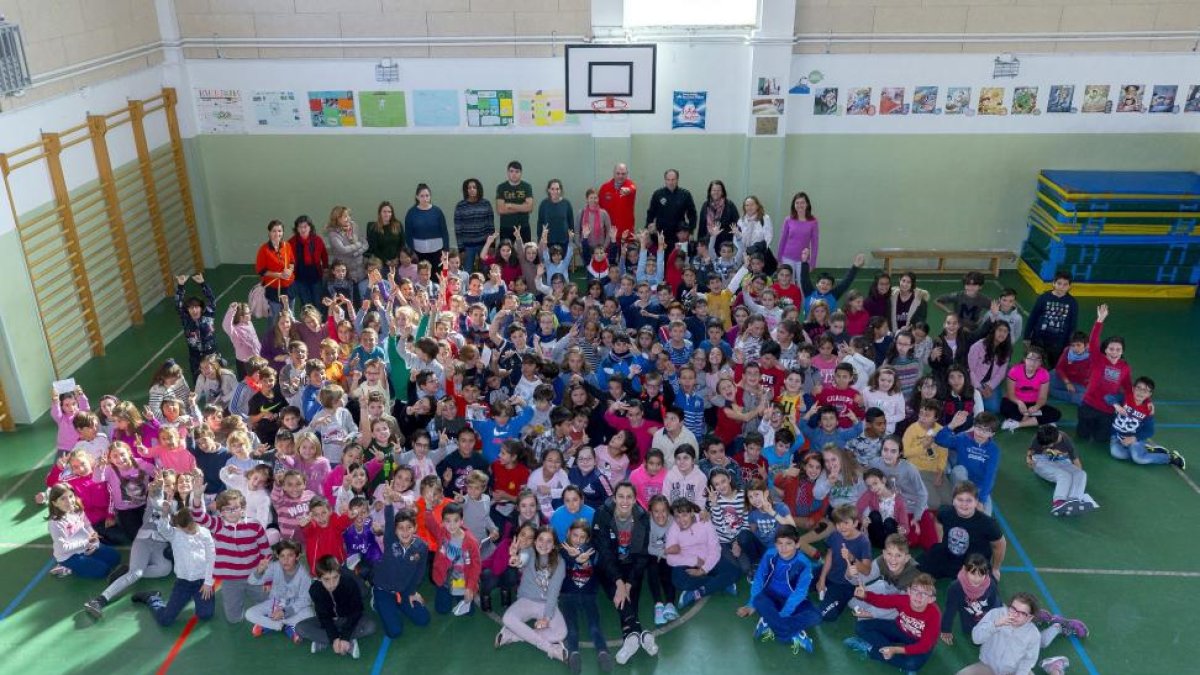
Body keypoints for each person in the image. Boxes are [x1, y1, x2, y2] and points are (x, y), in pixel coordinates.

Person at [132, 504, 216, 627]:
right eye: (185, 529)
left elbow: (211, 557)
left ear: (196, 522)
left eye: (191, 528)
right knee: (165, 620)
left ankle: (197, 598)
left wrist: (208, 582)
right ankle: (152, 598)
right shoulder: (175, 534)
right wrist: (165, 514)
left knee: (205, 614)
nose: (189, 532)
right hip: (183, 583)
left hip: (202, 581)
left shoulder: (205, 533)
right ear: (178, 527)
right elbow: (163, 528)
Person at [495, 526, 569, 662]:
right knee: (508, 618)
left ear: (554, 545)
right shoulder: (529, 551)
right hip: (526, 601)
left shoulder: (560, 563)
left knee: (561, 633)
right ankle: (551, 649)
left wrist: (547, 618)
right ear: (535, 542)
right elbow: (521, 560)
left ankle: (513, 635)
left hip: (547, 604)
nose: (544, 544)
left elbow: (553, 592)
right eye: (541, 539)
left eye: (549, 541)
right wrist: (515, 560)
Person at [843, 573, 942, 672]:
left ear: (931, 599)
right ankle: (896, 658)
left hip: (919, 641)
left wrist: (895, 650)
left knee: (912, 664)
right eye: (915, 590)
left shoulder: (934, 614)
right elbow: (883, 601)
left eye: (924, 593)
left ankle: (871, 649)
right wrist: (865, 595)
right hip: (900, 629)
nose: (918, 596)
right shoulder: (903, 600)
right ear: (909, 591)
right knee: (861, 627)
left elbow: (924, 646)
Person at [919, 481, 1006, 579]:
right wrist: (941, 542)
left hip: (973, 563)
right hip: (949, 558)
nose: (964, 504)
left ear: (976, 502)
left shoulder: (988, 523)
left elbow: (1000, 545)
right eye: (960, 500)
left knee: (985, 589)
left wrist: (995, 568)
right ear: (953, 501)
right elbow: (938, 522)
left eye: (969, 500)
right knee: (916, 567)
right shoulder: (945, 512)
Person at [559, 520, 615, 673]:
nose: (578, 539)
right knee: (571, 628)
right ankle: (573, 653)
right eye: (575, 535)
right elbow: (562, 564)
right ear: (568, 534)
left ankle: (603, 652)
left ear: (587, 539)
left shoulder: (591, 550)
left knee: (595, 626)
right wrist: (574, 559)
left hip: (589, 595)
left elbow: (593, 562)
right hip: (568, 595)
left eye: (582, 537)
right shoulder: (562, 550)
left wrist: (584, 562)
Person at [667, 497, 741, 610]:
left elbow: (715, 550)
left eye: (684, 515)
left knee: (735, 572)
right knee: (677, 580)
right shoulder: (674, 529)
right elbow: (670, 559)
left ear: (692, 512)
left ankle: (696, 592)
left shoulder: (704, 521)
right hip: (688, 561)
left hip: (709, 559)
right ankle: (721, 583)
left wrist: (703, 570)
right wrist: (694, 560)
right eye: (677, 516)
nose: (681, 520)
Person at [296, 555, 376, 657]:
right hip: (329, 620)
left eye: (335, 577)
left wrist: (345, 636)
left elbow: (356, 611)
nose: (332, 583)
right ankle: (345, 643)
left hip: (347, 617)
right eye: (327, 579)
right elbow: (324, 617)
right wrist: (334, 638)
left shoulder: (349, 584)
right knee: (300, 628)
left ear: (340, 574)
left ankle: (325, 640)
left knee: (370, 627)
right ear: (319, 579)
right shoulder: (315, 589)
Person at [1076, 304, 1134, 443]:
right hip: (1089, 405)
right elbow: (1094, 340)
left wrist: (1131, 404)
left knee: (1101, 439)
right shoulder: (1098, 359)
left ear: (1122, 351)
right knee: (1082, 436)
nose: (1114, 352)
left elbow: (1127, 388)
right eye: (1111, 349)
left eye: (1118, 350)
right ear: (1106, 350)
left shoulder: (1125, 367)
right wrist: (1100, 320)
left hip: (1107, 410)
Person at [956, 592, 1043, 675]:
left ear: (1029, 618)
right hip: (988, 666)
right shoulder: (996, 614)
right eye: (1013, 609)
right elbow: (976, 639)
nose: (1015, 615)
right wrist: (995, 625)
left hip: (1013, 671)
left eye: (1022, 613)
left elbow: (1028, 660)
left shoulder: (1033, 635)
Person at [1110, 376, 1185, 469]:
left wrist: (1134, 438)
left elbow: (1149, 431)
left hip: (1135, 438)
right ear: (1133, 389)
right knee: (1117, 453)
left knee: (1138, 458)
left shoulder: (1148, 410)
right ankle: (1147, 451)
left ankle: (1170, 458)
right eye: (1139, 388)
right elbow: (1108, 397)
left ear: (1149, 394)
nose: (1141, 392)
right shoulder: (1125, 397)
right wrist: (1116, 405)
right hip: (1117, 437)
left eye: (1145, 390)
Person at [245, 539, 314, 642]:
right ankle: (283, 626)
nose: (285, 560)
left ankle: (268, 624)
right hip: (274, 604)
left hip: (292, 607)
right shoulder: (275, 566)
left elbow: (305, 600)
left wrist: (285, 612)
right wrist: (259, 570)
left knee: (310, 614)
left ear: (297, 556)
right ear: (277, 557)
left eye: (290, 555)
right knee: (249, 613)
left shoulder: (304, 575)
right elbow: (252, 581)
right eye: (282, 556)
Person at [941, 554, 1002, 645]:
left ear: (987, 573)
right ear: (965, 570)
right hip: (970, 613)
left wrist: (991, 621)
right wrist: (946, 629)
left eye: (981, 575)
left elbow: (993, 602)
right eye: (973, 574)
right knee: (971, 633)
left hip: (987, 609)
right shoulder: (956, 588)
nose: (977, 579)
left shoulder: (991, 584)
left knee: (998, 624)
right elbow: (950, 609)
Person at [1024, 271, 1078, 369]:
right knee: (1034, 364)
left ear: (1070, 286)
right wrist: (1027, 336)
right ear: (1053, 283)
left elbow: (1072, 325)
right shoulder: (1043, 298)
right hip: (1039, 339)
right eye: (1059, 283)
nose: (1061, 287)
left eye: (1065, 284)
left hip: (1058, 343)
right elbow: (1033, 317)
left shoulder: (1072, 302)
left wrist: (1069, 343)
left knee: (1054, 367)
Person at [175, 274, 217, 382]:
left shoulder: (208, 315)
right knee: (198, 379)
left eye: (196, 307)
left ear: (201, 308)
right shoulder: (186, 320)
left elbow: (211, 299)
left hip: (211, 354)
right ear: (187, 310)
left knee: (216, 377)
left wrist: (203, 284)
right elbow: (178, 304)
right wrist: (180, 286)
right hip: (195, 357)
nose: (194, 310)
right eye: (191, 308)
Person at [326, 206, 369, 301]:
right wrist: (357, 244)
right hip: (347, 274)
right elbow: (343, 250)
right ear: (337, 218)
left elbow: (365, 243)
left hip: (360, 270)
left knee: (363, 298)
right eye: (345, 216)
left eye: (349, 215)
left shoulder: (354, 226)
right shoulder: (333, 233)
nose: (348, 218)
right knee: (351, 300)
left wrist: (356, 253)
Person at [255, 219, 294, 324]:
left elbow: (292, 262)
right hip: (273, 288)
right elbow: (261, 270)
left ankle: (289, 337)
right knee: (275, 318)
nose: (277, 234)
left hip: (289, 287)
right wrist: (278, 275)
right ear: (269, 233)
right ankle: (274, 339)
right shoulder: (263, 250)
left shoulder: (287, 246)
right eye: (274, 231)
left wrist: (290, 270)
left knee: (290, 315)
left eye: (280, 231)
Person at [404, 183, 450, 270]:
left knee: (437, 276)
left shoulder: (437, 212)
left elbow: (444, 231)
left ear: (430, 196)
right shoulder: (411, 213)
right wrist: (412, 252)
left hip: (437, 251)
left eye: (427, 195)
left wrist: (446, 250)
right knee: (423, 275)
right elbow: (408, 234)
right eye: (422, 196)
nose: (425, 198)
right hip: (419, 252)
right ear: (417, 197)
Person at [646, 169, 697, 245]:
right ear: (665, 180)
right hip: (661, 235)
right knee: (661, 256)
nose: (671, 182)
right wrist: (649, 226)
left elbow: (692, 214)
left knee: (678, 256)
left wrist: (690, 232)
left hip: (679, 236)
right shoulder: (658, 194)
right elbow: (650, 213)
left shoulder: (685, 194)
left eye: (673, 179)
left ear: (677, 180)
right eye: (668, 180)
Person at [454, 178, 493, 273]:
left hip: (484, 245)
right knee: (467, 272)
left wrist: (491, 245)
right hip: (467, 247)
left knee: (486, 270)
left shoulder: (486, 204)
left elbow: (490, 226)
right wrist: (461, 249)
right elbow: (458, 229)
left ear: (478, 189)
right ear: (466, 190)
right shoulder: (460, 206)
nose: (472, 189)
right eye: (469, 187)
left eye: (474, 187)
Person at [290, 215, 329, 309]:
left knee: (319, 303)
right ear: (297, 229)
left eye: (305, 227)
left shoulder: (317, 240)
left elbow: (324, 255)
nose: (303, 229)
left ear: (310, 227)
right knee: (307, 306)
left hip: (316, 277)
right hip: (300, 279)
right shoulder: (291, 242)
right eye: (300, 227)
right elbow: (289, 260)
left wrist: (326, 268)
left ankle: (320, 323)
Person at [598, 164, 638, 251]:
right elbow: (599, 209)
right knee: (610, 261)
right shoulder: (604, 188)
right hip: (609, 233)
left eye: (623, 174)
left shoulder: (630, 185)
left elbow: (633, 188)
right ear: (613, 173)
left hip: (626, 233)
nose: (620, 176)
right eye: (618, 173)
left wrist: (628, 190)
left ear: (627, 174)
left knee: (626, 260)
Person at [778, 191, 819, 274]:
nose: (800, 205)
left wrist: (812, 263)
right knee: (789, 284)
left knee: (802, 284)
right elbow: (782, 240)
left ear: (807, 204)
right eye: (797, 203)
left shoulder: (813, 222)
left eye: (802, 203)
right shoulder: (788, 220)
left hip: (803, 259)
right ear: (794, 205)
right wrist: (779, 258)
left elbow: (815, 243)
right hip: (787, 257)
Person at [497, 160, 535, 242]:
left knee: (525, 252)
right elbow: (500, 209)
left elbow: (530, 208)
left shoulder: (526, 187)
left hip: (523, 227)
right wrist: (522, 207)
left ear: (521, 173)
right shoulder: (501, 187)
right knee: (505, 253)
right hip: (506, 227)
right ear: (508, 172)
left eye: (517, 172)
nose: (514, 174)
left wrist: (510, 205)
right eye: (511, 171)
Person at [366, 201, 406, 276]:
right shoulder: (374, 228)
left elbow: (402, 244)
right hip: (381, 264)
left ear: (392, 213)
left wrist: (397, 259)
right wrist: (387, 261)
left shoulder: (398, 225)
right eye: (384, 212)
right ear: (380, 213)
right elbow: (374, 248)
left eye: (389, 212)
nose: (387, 214)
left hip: (397, 262)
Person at [538, 178, 575, 249]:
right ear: (548, 190)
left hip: (564, 241)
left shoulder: (566, 203)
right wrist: (540, 239)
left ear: (560, 190)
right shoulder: (544, 204)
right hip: (548, 241)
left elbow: (571, 223)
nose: (555, 191)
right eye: (552, 189)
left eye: (557, 189)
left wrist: (571, 239)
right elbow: (540, 223)